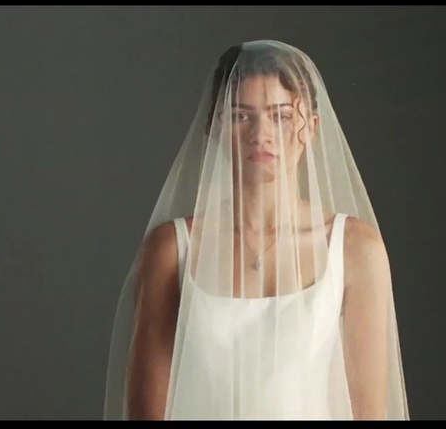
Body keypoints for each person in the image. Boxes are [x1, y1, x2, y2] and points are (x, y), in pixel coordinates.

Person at [103, 39, 410, 420]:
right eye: (241, 116)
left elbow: (370, 413)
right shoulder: (172, 248)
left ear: (312, 128)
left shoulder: (355, 248)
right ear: (214, 127)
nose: (260, 134)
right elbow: (145, 412)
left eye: (281, 116)